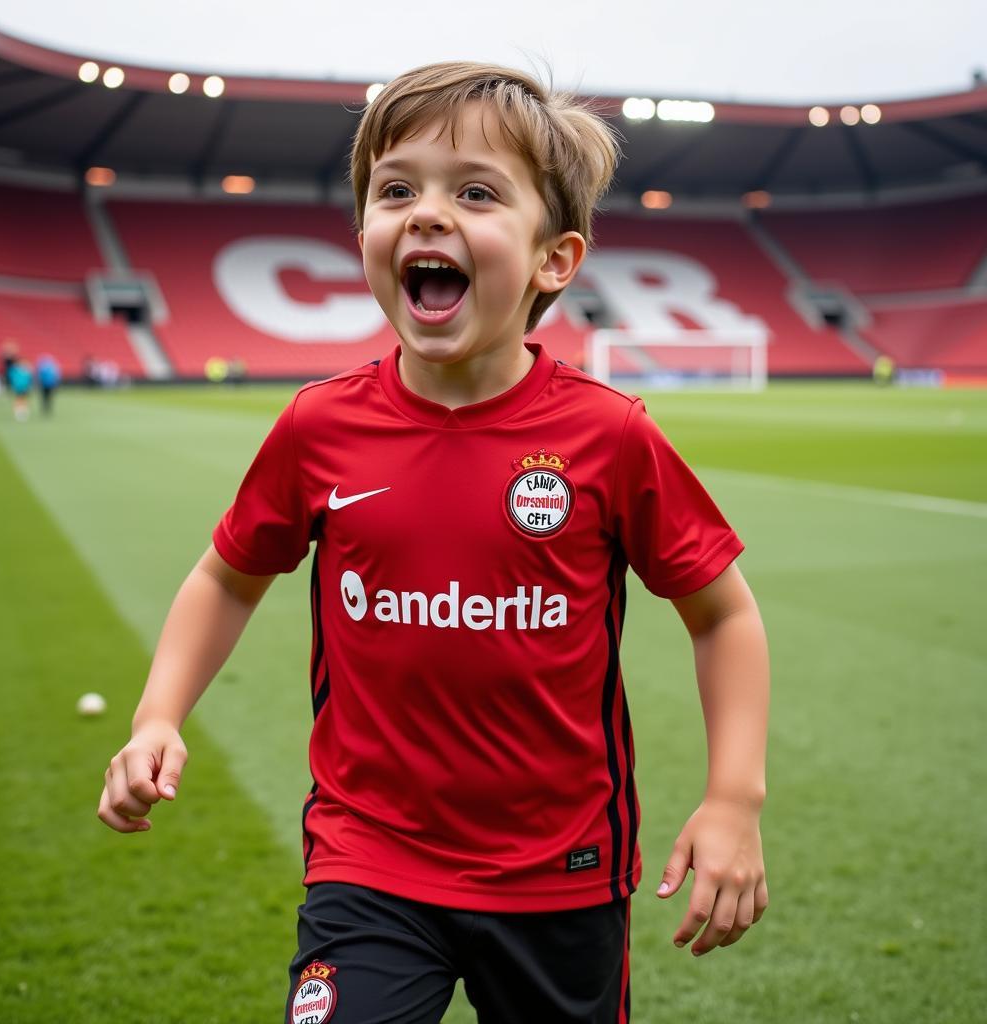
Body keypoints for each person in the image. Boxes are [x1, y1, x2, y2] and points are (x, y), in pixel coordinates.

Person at [98, 61, 770, 1023]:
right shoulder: (318, 428)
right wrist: (158, 714)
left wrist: (734, 799)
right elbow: (227, 575)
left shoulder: (611, 436)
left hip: (560, 873)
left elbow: (724, 614)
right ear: (365, 232)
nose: (424, 213)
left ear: (555, 259)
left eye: (477, 192)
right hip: (368, 859)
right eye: (396, 189)